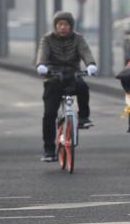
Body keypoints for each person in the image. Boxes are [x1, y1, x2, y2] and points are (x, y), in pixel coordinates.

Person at [35, 11, 98, 162]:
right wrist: (41, 66)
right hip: (53, 77)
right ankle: (49, 150)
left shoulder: (78, 38)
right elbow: (42, 54)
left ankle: (83, 117)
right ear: (55, 26)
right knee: (49, 115)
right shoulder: (47, 39)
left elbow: (86, 52)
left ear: (71, 26)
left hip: (72, 75)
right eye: (60, 24)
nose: (63, 27)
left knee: (83, 87)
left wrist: (91, 65)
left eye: (66, 24)